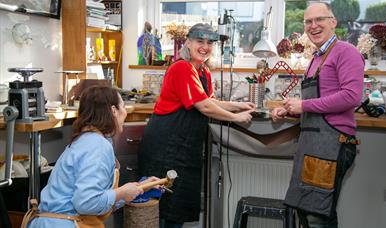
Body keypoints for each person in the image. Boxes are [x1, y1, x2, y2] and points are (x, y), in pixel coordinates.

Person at [138, 23, 256, 228]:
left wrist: (238, 105)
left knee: (179, 207)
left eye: (209, 43)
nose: (205, 46)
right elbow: (204, 107)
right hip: (166, 147)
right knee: (164, 209)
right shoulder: (182, 67)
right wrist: (235, 117)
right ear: (188, 42)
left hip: (185, 147)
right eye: (200, 41)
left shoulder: (202, 71)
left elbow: (210, 101)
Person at [272, 2, 364, 228]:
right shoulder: (316, 58)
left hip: (332, 144)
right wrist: (290, 111)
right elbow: (316, 105)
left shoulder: (346, 51)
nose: (313, 26)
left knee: (318, 215)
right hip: (312, 144)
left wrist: (303, 105)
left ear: (333, 22)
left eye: (319, 20)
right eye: (308, 21)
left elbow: (351, 97)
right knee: (306, 210)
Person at [22, 86, 159, 228]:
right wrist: (122, 192)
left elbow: (97, 202)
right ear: (113, 111)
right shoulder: (97, 146)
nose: (125, 112)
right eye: (123, 107)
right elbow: (86, 203)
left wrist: (136, 189)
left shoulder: (86, 140)